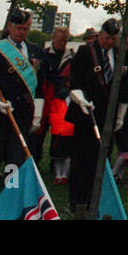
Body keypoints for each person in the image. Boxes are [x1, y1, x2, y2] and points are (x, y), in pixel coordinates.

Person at [0, 8, 45, 216]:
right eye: (18, 28)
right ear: (9, 27)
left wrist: (37, 115)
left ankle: (11, 206)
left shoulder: (34, 51)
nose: (21, 32)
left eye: (25, 28)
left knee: (14, 165)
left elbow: (38, 86)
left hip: (23, 115)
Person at [66, 17, 128, 213]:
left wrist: (121, 114)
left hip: (107, 115)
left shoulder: (121, 54)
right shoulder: (86, 52)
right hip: (86, 112)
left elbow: (124, 87)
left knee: (102, 158)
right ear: (100, 35)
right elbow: (74, 82)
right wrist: (81, 100)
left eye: (113, 39)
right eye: (107, 37)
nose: (110, 42)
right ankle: (78, 201)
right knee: (81, 159)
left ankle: (97, 198)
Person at [42, 27, 74, 184]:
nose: (63, 43)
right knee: (40, 134)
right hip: (47, 97)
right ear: (53, 38)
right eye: (61, 40)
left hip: (62, 101)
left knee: (61, 135)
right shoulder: (44, 55)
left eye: (65, 40)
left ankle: (59, 170)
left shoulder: (70, 57)